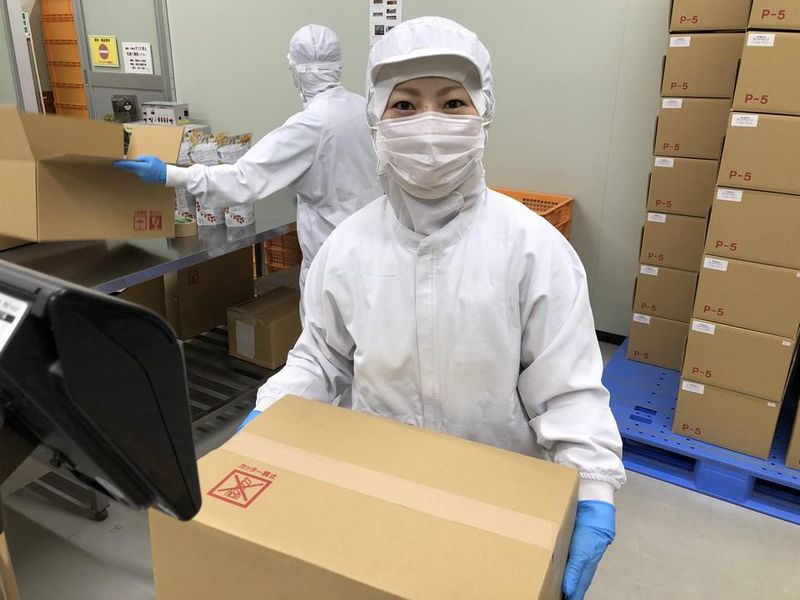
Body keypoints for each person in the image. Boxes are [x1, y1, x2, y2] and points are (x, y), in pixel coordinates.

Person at [243, 17, 625, 600]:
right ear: (376, 119)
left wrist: (593, 488)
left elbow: (567, 392)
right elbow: (322, 359)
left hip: (499, 496)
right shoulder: (347, 247)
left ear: (483, 113)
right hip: (377, 487)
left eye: (451, 103)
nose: (428, 125)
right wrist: (269, 413)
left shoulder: (532, 249)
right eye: (404, 105)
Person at [114, 24, 382, 293]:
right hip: (368, 249)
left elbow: (242, 179)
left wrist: (170, 174)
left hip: (331, 260)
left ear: (297, 71)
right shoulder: (360, 106)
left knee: (327, 319)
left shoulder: (310, 126)